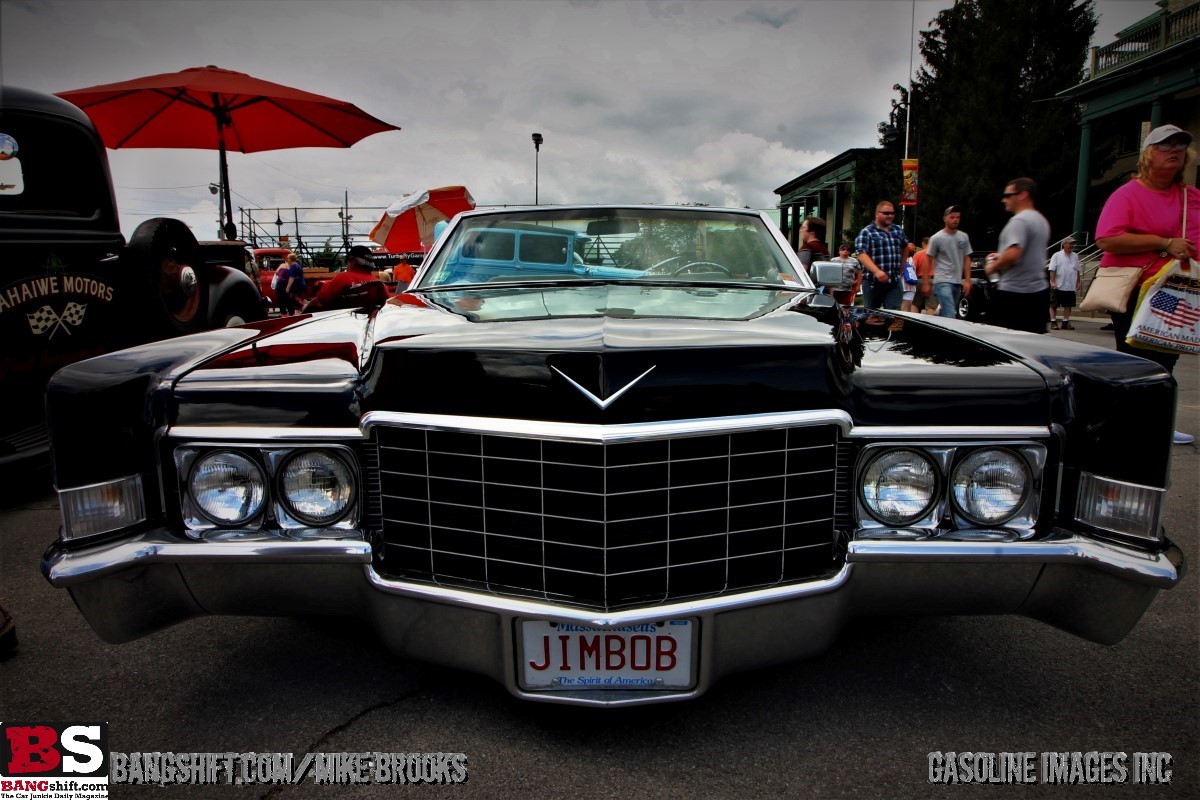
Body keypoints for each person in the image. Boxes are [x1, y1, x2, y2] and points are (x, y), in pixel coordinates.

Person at [1095, 123, 1199, 445]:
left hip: (1174, 288)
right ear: (1148, 154)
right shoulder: (1128, 194)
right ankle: (1123, 421)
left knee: (1167, 353)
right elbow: (1106, 238)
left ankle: (1157, 422)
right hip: (1136, 288)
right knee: (1133, 356)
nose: (1175, 152)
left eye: (1180, 147)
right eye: (1166, 146)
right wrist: (1164, 242)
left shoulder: (1190, 196)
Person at [984, 177, 1051, 334]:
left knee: (1003, 346)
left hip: (1013, 294)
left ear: (1023, 195)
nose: (1004, 200)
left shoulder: (1019, 221)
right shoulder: (1041, 220)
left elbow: (1014, 254)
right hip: (1038, 293)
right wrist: (1002, 255)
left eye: (1008, 195)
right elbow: (1027, 253)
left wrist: (992, 266)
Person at [855, 201, 909, 310]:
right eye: (886, 213)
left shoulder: (897, 230)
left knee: (895, 315)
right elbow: (861, 254)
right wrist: (877, 271)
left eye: (892, 213)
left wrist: (902, 266)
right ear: (877, 214)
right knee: (871, 314)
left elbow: (905, 246)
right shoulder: (867, 232)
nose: (890, 216)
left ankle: (891, 328)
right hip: (873, 282)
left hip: (894, 280)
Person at [302, 245, 389, 312]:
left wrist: (304, 311)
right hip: (367, 328)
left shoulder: (342, 278)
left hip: (341, 325)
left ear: (352, 261)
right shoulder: (381, 285)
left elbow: (318, 302)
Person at [926, 205, 973, 319]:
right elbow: (928, 259)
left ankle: (941, 333)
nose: (955, 220)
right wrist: (926, 282)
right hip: (942, 281)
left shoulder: (963, 237)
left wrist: (967, 280)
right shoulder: (936, 238)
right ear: (945, 218)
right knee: (950, 312)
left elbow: (967, 258)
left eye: (957, 217)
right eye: (952, 217)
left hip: (957, 281)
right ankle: (949, 335)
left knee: (947, 312)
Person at [1048, 237, 1081, 330]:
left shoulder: (1075, 256)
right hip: (1059, 284)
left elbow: (1077, 269)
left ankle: (1065, 322)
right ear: (1064, 244)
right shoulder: (1057, 255)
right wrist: (1053, 281)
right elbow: (1052, 269)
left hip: (1070, 284)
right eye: (1070, 243)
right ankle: (1053, 321)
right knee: (1054, 304)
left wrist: (1078, 281)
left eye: (1073, 244)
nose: (1072, 245)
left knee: (1068, 304)